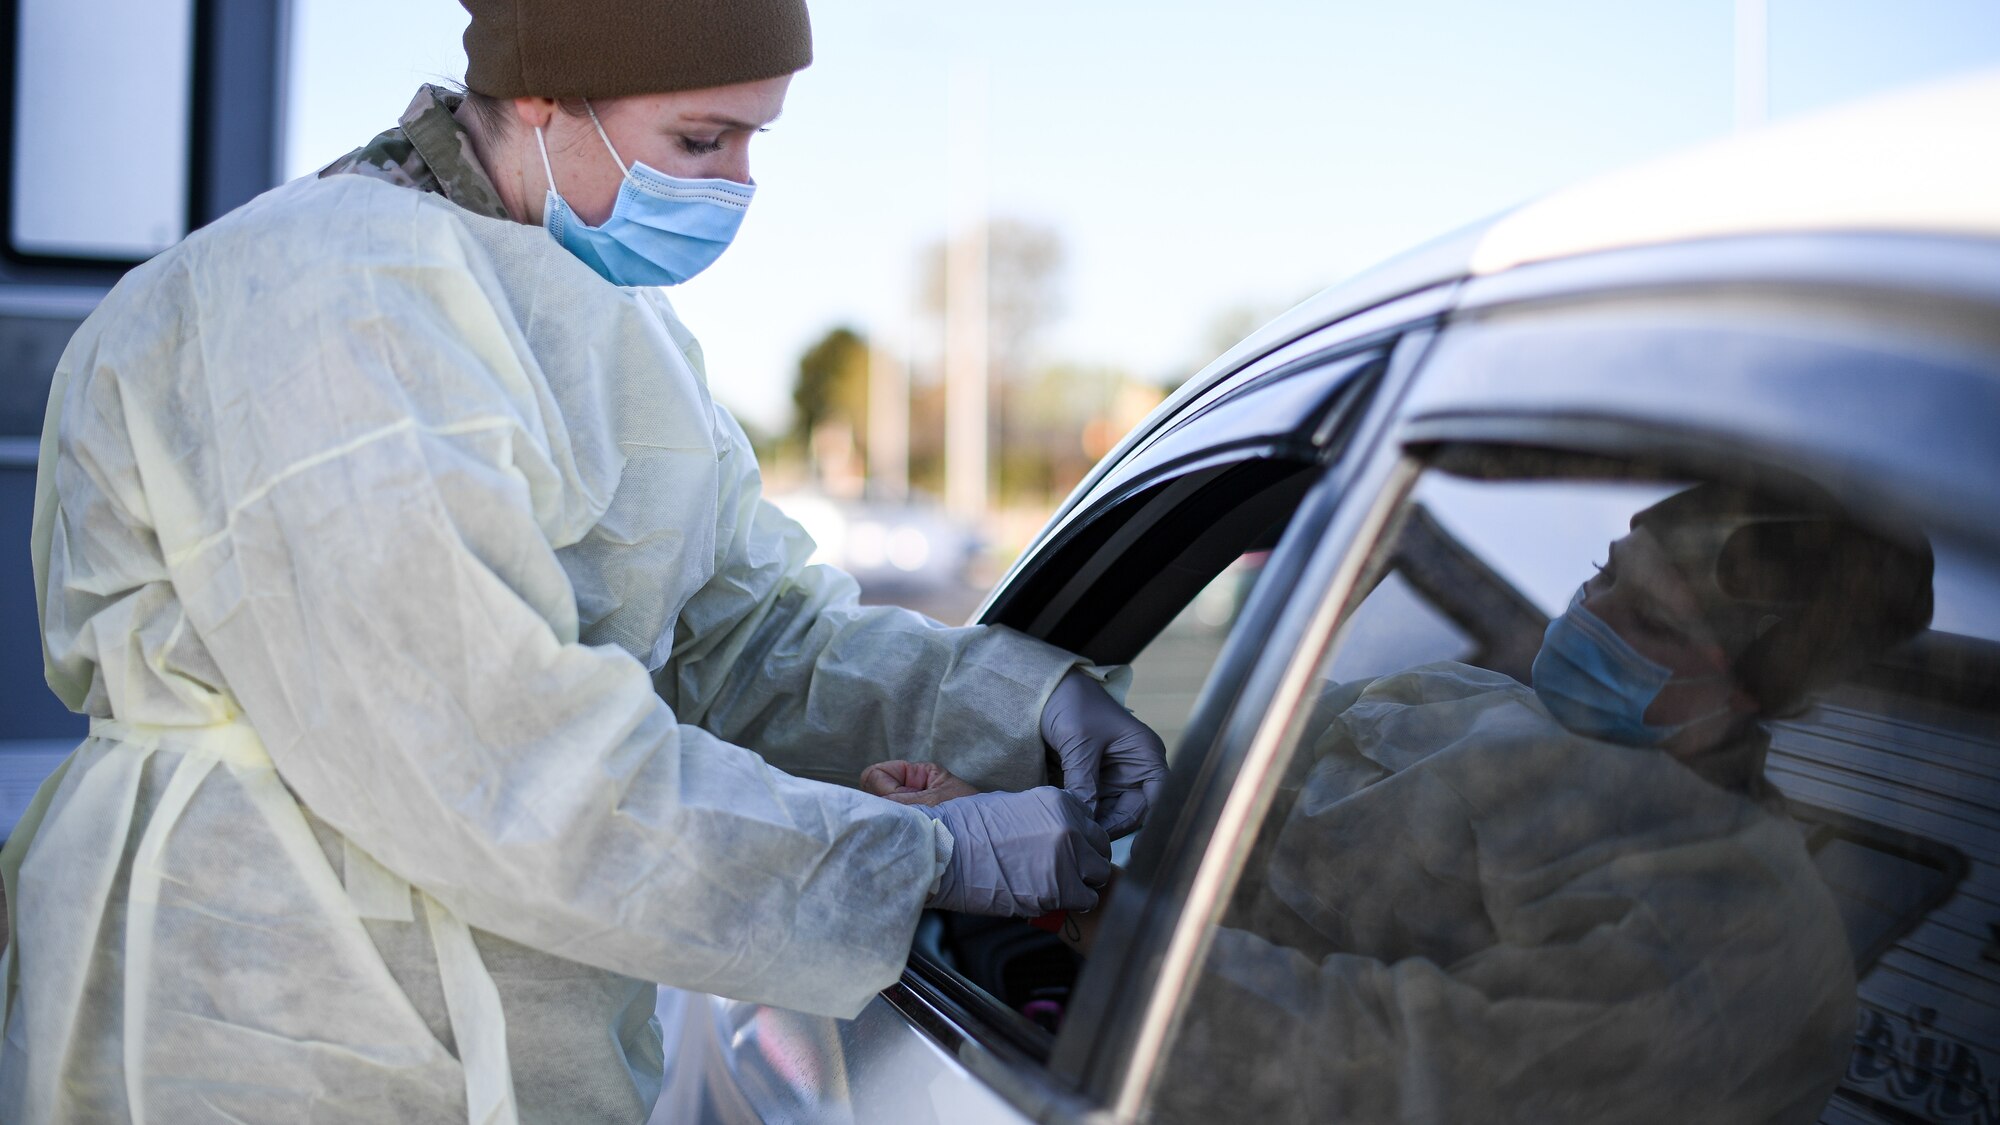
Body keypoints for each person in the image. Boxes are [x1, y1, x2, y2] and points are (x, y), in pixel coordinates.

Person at [0, 2, 1166, 1122]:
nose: (737, 185)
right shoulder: (325, 303)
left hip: (496, 992)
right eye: (700, 139)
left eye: (753, 140)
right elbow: (491, 755)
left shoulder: (594, 317)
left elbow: (744, 640)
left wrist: (1019, 707)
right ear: (544, 95)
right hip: (274, 1008)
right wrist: (915, 860)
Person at [873, 483, 1933, 1124]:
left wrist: (1085, 911)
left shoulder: (1737, 921)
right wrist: (1001, 814)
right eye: (1605, 574)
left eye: (1646, 621)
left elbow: (1396, 1078)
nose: (1589, 615)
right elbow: (1194, 841)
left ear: (1759, 691)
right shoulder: (1445, 699)